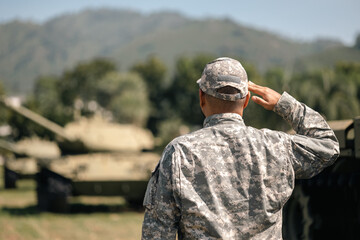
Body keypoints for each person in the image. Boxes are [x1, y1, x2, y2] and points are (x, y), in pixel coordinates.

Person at [141, 57, 339, 239]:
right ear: (245, 101)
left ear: (201, 97)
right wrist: (284, 104)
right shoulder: (277, 146)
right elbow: (328, 144)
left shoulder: (179, 153)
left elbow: (157, 233)